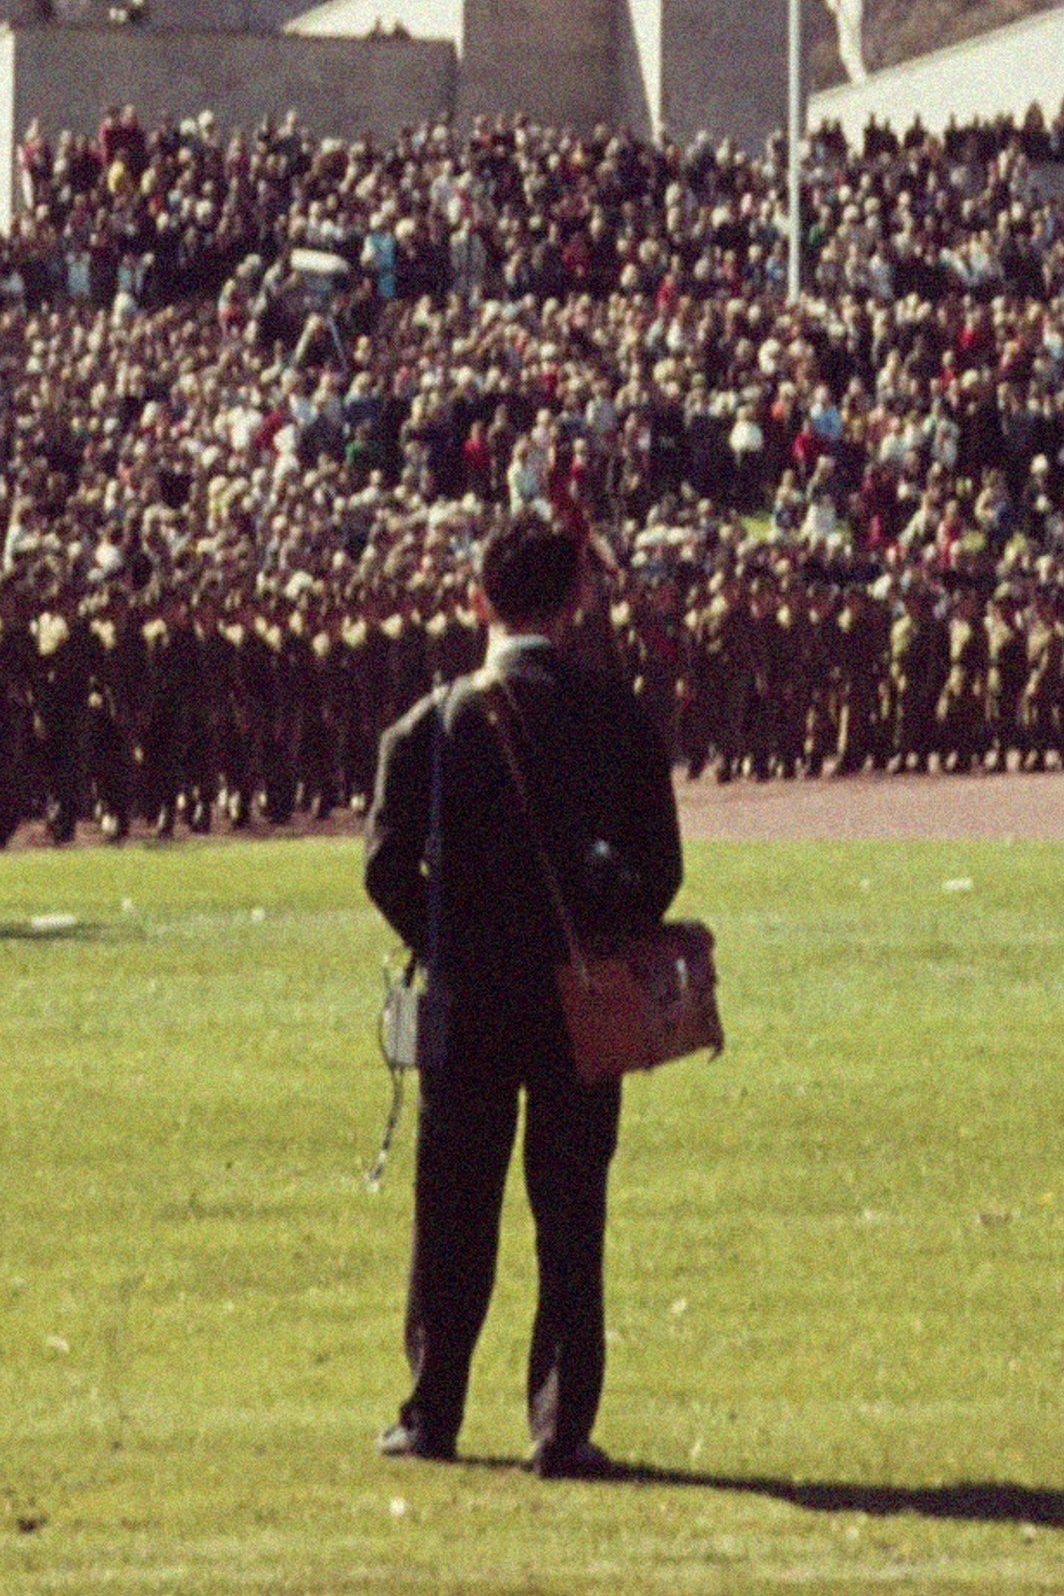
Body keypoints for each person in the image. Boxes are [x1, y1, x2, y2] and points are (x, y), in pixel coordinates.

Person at [363, 510, 683, 1477]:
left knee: (454, 1213)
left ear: (477, 601)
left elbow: (384, 867)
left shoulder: (434, 720)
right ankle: (561, 1426)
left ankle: (433, 1412)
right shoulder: (617, 712)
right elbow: (659, 867)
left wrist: (451, 944)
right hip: (581, 1003)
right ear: (576, 603)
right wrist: (592, 936)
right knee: (571, 1214)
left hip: (470, 1005)